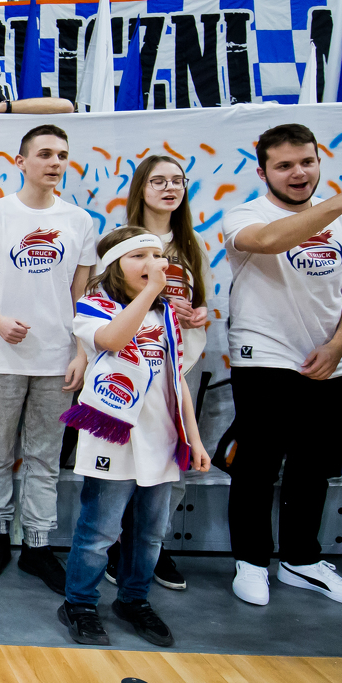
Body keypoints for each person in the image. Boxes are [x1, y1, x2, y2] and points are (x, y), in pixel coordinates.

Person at [221, 123, 342, 608]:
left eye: (307, 162)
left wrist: (338, 346)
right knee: (258, 464)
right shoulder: (244, 214)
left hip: (330, 361)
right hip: (263, 356)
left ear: (319, 161)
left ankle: (301, 561)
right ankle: (251, 561)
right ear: (262, 172)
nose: (298, 173)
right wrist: (339, 204)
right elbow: (270, 240)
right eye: (284, 165)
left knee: (314, 467)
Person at [57, 227, 211, 647]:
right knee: (100, 532)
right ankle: (79, 604)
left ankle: (134, 599)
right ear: (114, 266)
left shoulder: (166, 316)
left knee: (150, 533)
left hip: (161, 438)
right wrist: (152, 294)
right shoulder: (94, 306)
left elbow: (177, 380)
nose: (153, 264)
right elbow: (112, 339)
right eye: (138, 256)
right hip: (113, 437)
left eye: (156, 255)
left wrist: (195, 439)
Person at [0, 124, 97, 593]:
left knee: (45, 456)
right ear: (20, 162)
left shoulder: (79, 221)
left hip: (57, 360)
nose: (55, 162)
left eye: (62, 155)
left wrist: (81, 350)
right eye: (44, 154)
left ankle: (37, 546)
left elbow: (83, 294)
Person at [102, 154, 213, 592]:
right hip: (133, 369)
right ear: (141, 189)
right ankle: (118, 544)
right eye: (159, 181)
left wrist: (199, 314)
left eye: (177, 181)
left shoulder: (192, 243)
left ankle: (154, 543)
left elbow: (202, 303)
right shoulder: (121, 241)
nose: (170, 188)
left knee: (171, 462)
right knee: (126, 463)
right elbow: (105, 306)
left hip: (180, 368)